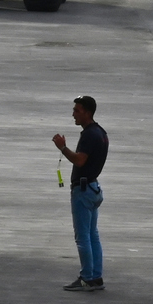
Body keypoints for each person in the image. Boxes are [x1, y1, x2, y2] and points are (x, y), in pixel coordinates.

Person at [53, 95, 109, 291]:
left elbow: (79, 160)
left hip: (84, 191)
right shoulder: (100, 132)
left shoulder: (90, 135)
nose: (73, 114)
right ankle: (96, 276)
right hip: (93, 188)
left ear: (87, 111)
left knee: (83, 236)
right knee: (93, 235)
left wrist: (62, 147)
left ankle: (86, 277)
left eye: (77, 110)